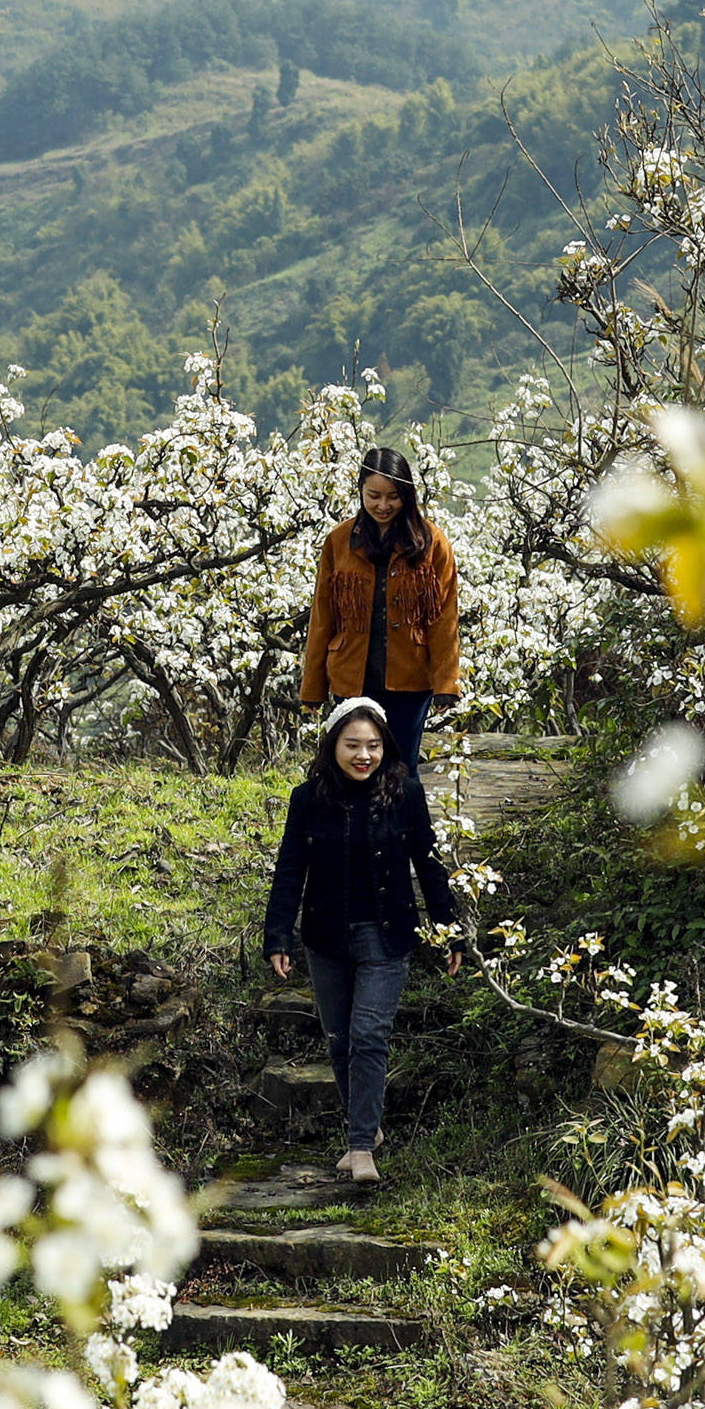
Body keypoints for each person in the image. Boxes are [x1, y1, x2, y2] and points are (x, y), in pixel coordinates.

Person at [262, 694, 462, 1186]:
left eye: (373, 745)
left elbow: (428, 865)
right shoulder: (307, 799)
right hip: (326, 937)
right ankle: (365, 1130)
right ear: (333, 745)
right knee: (338, 1042)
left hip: (387, 934)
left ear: (386, 746)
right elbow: (290, 870)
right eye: (352, 744)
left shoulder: (404, 793)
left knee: (369, 1036)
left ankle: (359, 1148)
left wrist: (450, 929)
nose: (363, 755)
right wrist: (277, 935)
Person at [298, 444, 460, 768]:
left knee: (402, 766)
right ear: (360, 490)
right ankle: (356, 821)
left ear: (407, 495)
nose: (383, 505)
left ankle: (405, 821)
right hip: (351, 675)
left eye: (393, 496)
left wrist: (446, 684)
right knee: (356, 765)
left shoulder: (431, 542)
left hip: (411, 677)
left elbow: (444, 618)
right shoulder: (339, 540)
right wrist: (313, 687)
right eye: (373, 495)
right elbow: (322, 616)